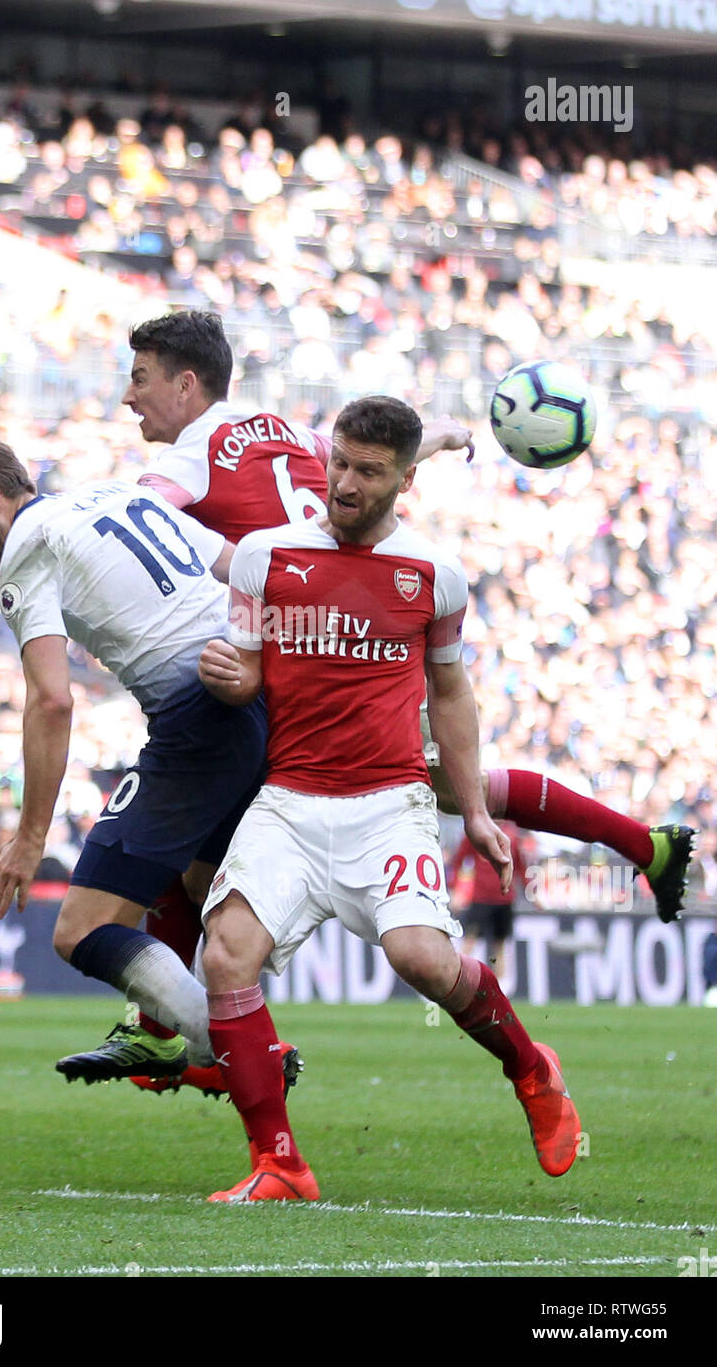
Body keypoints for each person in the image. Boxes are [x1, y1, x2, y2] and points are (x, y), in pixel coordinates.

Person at [60, 310, 694, 1087]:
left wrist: (71, 528)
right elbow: (366, 465)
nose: (131, 398)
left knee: (221, 817)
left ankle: (169, 1030)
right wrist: (437, 438)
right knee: (409, 789)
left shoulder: (189, 464)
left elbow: (135, 518)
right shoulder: (286, 431)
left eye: (141, 379)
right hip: (351, 629)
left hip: (303, 651)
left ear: (186, 384)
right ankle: (645, 845)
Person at [196, 395, 581, 1203]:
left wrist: (474, 809)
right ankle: (280, 1163)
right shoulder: (265, 557)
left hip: (388, 801)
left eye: (367, 472)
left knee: (422, 960)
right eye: (338, 462)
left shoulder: (432, 575)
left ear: (405, 480)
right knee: (226, 955)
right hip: (290, 801)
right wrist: (233, 678)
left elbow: (451, 692)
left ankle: (531, 1068)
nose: (344, 482)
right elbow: (249, 671)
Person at [0, 436, 285, 1088]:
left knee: (81, 930)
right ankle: (238, 1104)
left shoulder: (27, 552)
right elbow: (243, 566)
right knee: (199, 891)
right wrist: (262, 655)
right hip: (251, 704)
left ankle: (237, 1050)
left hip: (197, 722)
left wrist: (30, 839)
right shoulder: (114, 492)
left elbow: (53, 700)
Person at [449, 820, 527, 986]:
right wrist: (456, 890)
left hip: (504, 898)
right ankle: (459, 983)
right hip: (480, 898)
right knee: (470, 940)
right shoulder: (476, 831)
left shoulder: (511, 835)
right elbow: (459, 861)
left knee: (499, 944)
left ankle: (501, 988)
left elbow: (521, 866)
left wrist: (532, 891)